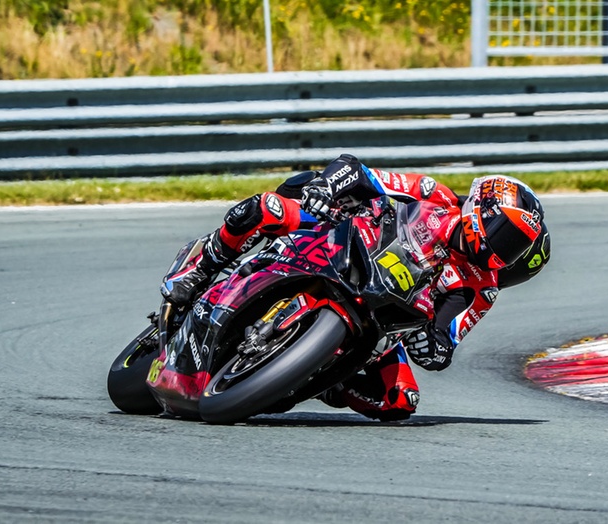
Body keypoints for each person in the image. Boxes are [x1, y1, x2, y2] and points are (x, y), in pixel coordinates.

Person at [161, 154, 551, 421]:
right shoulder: (436, 195)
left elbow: (445, 340)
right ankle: (204, 264)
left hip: (382, 320)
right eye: (504, 234)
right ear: (480, 208)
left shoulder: (480, 288)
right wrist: (328, 187)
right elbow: (360, 172)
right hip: (341, 243)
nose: (502, 250)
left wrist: (430, 347)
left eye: (513, 248)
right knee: (266, 208)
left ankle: (314, 378)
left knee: (399, 401)